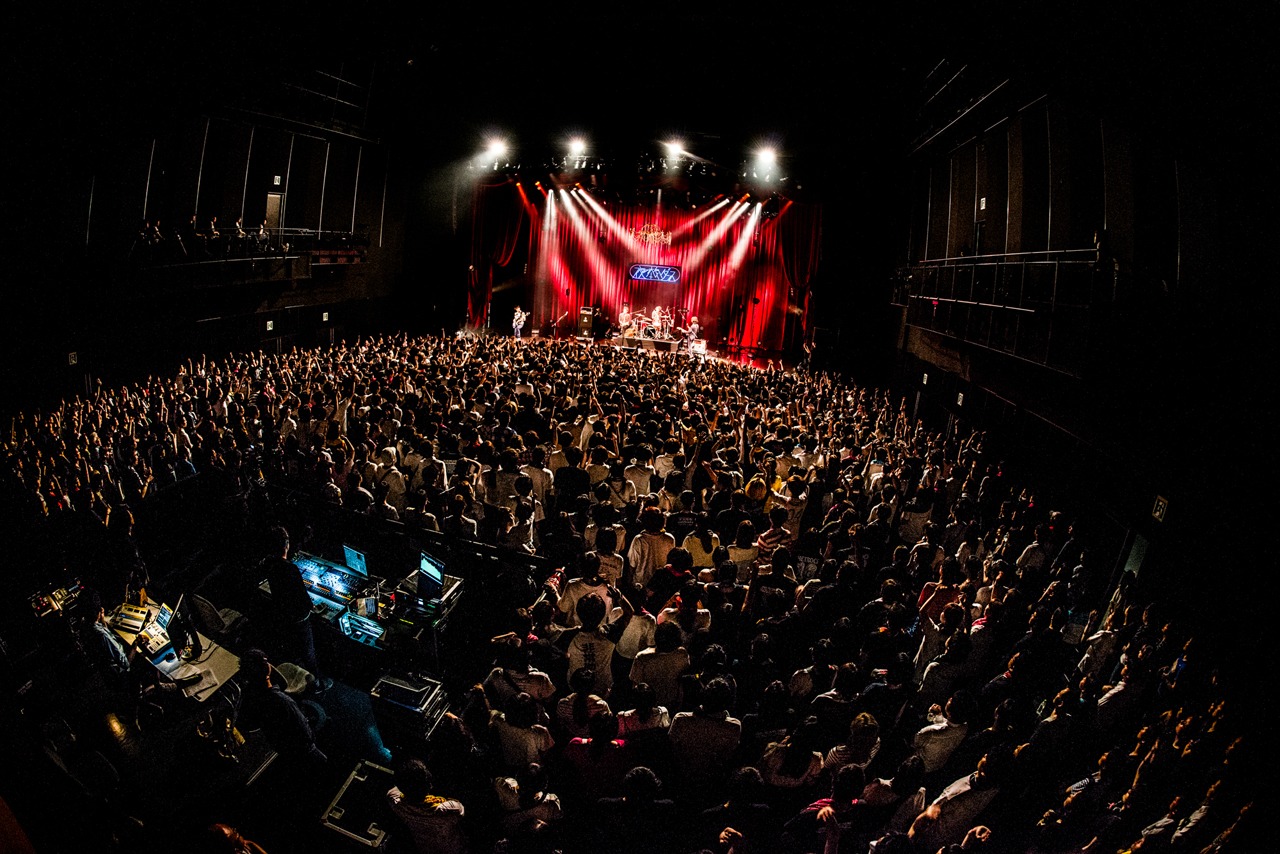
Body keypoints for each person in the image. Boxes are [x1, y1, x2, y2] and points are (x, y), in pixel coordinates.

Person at [386, 758, 467, 854]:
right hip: (454, 849)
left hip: (426, 849)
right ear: (429, 784)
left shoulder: (397, 803)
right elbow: (461, 809)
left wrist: (407, 782)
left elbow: (394, 791)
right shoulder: (446, 810)